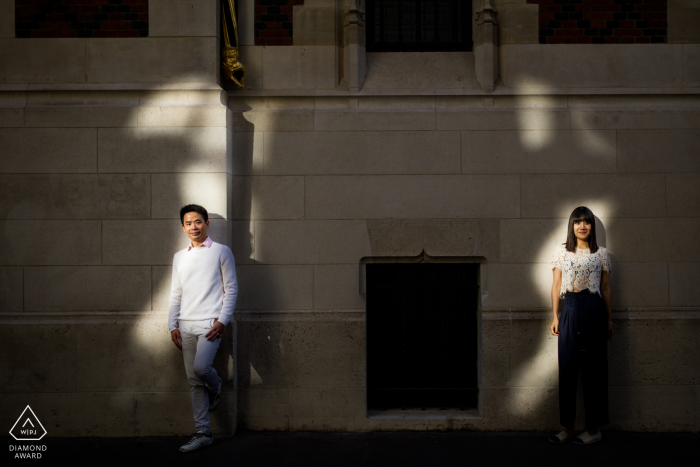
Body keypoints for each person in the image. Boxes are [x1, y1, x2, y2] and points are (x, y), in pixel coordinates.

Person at [168, 204, 238, 453]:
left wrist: (222, 321)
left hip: (210, 325)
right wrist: (172, 325)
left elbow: (231, 288)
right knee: (194, 382)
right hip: (185, 325)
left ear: (207, 223)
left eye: (198, 222)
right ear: (183, 227)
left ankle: (216, 384)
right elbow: (176, 293)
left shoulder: (221, 251)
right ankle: (202, 433)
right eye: (188, 223)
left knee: (200, 370)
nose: (193, 227)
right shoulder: (179, 257)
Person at [548, 206, 613, 445]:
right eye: (578, 222)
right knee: (567, 368)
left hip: (594, 308)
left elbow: (605, 288)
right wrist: (555, 316)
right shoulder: (562, 252)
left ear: (592, 226)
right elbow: (556, 286)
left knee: (594, 370)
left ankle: (594, 429)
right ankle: (567, 427)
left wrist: (608, 319)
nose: (582, 226)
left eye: (586, 222)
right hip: (570, 308)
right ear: (572, 226)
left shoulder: (601, 254)